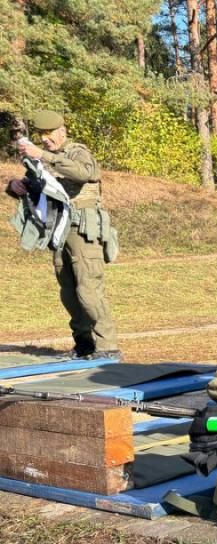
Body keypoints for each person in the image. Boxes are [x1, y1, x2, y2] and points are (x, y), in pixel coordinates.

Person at [5, 110, 120, 360]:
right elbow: (35, 186)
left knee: (88, 290)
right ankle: (84, 344)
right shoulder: (43, 159)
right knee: (68, 291)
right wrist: (15, 187)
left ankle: (108, 347)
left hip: (83, 230)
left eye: (48, 134)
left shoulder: (77, 151)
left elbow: (85, 173)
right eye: (41, 135)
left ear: (62, 131)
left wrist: (43, 155)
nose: (45, 139)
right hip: (59, 230)